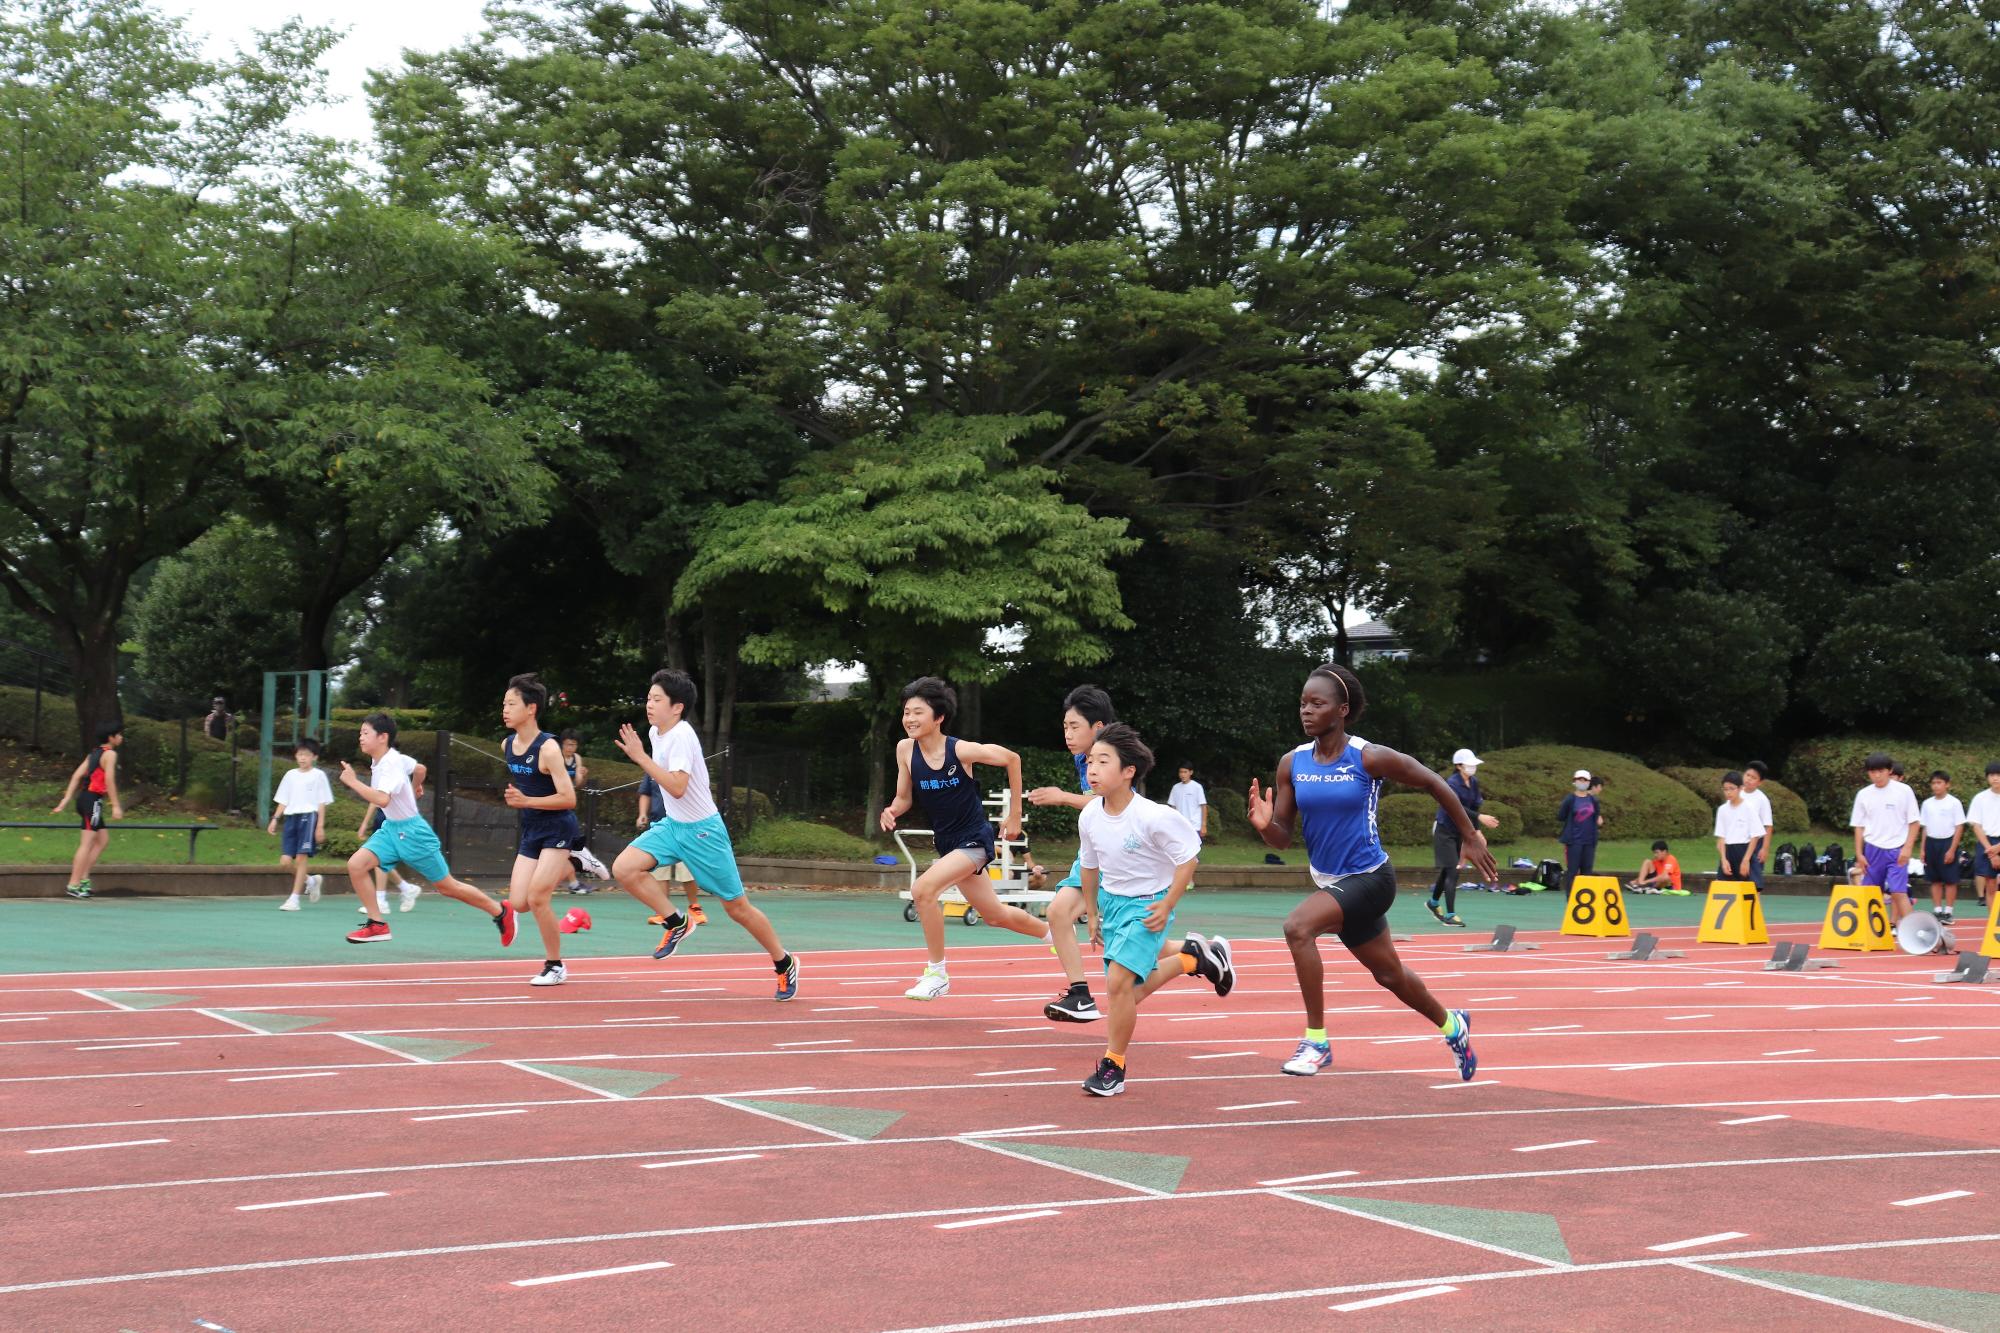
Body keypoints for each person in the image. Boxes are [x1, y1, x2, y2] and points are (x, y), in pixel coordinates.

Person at [1247, 663, 1490, 1081]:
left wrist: (1468, 833)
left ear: (1342, 710)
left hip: (1371, 878)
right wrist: (1266, 825)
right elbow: (1283, 839)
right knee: (1390, 974)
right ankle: (1453, 1024)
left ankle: (1316, 1041)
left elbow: (1434, 781)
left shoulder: (1368, 756)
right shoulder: (1292, 763)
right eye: (1303, 703)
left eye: (1317, 703)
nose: (1306, 711)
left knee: (1297, 928)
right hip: (1332, 882)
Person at [613, 668, 798, 999]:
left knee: (737, 908)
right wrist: (644, 754)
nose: (649, 705)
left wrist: (640, 758)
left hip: (703, 832)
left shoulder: (682, 735)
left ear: (677, 707)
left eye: (657, 699)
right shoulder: (656, 733)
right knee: (624, 868)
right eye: (648, 699)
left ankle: (784, 963)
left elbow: (678, 787)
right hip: (673, 826)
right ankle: (677, 923)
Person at [1074, 724, 1235, 1097]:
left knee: (1118, 986)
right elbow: (1089, 866)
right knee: (1125, 994)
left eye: (1103, 761)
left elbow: (1188, 858)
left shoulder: (1154, 816)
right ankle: (1192, 959)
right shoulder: (1090, 816)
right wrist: (1094, 913)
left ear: (1128, 770)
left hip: (1147, 904)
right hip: (1112, 906)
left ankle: (1114, 1065)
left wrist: (1167, 904)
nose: (1092, 769)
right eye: (1090, 762)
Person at [880, 675, 1046, 1000]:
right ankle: (1055, 932)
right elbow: (904, 797)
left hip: (974, 840)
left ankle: (937, 973)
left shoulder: (962, 751)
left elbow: (1012, 759)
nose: (909, 719)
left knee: (923, 889)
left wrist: (1014, 813)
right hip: (947, 843)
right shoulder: (905, 750)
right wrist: (893, 810)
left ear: (938, 717)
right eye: (906, 712)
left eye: (918, 712)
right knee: (995, 915)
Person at [338, 712, 516, 946]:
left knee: (448, 887)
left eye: (365, 733)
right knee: (356, 865)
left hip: (412, 833)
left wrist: (353, 781)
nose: (360, 737)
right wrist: (416, 786)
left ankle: (501, 913)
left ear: (382, 737)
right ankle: (377, 924)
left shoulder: (390, 764)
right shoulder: (390, 758)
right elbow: (420, 768)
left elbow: (382, 800)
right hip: (391, 829)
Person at [1026, 684, 1117, 1022]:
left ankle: (1195, 956)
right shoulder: (1084, 758)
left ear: (1099, 728)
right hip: (1094, 856)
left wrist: (1062, 796)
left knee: (1129, 946)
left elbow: (1112, 803)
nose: (1067, 733)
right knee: (1059, 913)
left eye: (1074, 726)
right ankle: (1080, 995)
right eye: (1065, 726)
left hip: (1121, 857)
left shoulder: (1113, 756)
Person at [501, 675, 583, 986]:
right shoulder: (507, 744)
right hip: (532, 828)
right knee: (519, 902)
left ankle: (555, 965)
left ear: (531, 708)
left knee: (537, 898)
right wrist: (522, 801)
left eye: (511, 704)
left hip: (558, 826)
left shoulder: (548, 748)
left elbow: (569, 798)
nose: (505, 710)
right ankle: (575, 863)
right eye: (504, 705)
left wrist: (527, 800)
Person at [51, 723, 124, 900]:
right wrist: (115, 805)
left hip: (86, 799)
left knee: (102, 840)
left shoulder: (94, 753)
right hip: (92, 800)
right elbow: (109, 780)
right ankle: (73, 884)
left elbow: (76, 775)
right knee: (87, 843)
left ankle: (83, 879)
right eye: (119, 735)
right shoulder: (110, 754)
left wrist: (66, 799)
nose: (121, 738)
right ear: (111, 737)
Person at [1427, 747, 1499, 927]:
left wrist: (1477, 832)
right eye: (1469, 765)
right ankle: (1450, 915)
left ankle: (1433, 903)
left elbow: (1474, 807)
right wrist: (1480, 818)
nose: (1473, 768)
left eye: (1474, 765)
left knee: (1448, 870)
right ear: (1459, 766)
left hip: (1461, 831)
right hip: (1444, 830)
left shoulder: (1473, 782)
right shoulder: (1451, 783)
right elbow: (1456, 807)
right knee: (1453, 869)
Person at [1850, 751, 1921, 927]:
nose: (1876, 775)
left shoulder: (1904, 791)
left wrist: (1907, 848)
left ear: (1889, 770)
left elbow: (1914, 822)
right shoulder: (1863, 794)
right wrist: (1859, 854)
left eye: (1880, 771)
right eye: (1872, 772)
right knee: (1871, 892)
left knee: (1898, 892)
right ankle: (1871, 931)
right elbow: (1859, 826)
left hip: (1897, 849)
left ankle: (1914, 932)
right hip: (1872, 849)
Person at [269, 738, 333, 911]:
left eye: (306, 755)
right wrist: (275, 819)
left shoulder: (318, 775)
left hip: (309, 817)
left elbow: (321, 802)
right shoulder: (290, 775)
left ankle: (294, 899)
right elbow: (283, 799)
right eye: (299, 754)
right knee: (285, 862)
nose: (302, 758)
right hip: (291, 819)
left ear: (314, 757)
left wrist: (320, 826)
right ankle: (311, 880)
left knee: (301, 858)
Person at [634, 773, 705, 921]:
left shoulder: (682, 768)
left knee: (687, 870)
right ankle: (664, 912)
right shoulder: (651, 768)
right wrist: (642, 814)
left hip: (683, 826)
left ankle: (694, 907)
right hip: (658, 827)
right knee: (660, 873)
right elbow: (645, 793)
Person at [554, 730, 611, 894]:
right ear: (562, 744)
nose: (571, 747)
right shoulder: (555, 757)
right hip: (553, 802)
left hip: (564, 805)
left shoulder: (577, 759)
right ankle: (576, 875)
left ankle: (573, 880)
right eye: (568, 744)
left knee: (559, 848)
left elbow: (578, 785)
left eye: (574, 744)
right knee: (558, 848)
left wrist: (582, 776)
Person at [1919, 771, 1965, 925]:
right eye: (1933, 783)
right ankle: (1938, 911)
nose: (1936, 786)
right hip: (1931, 842)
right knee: (1935, 879)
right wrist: (1923, 849)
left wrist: (1952, 849)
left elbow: (1959, 827)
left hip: (1947, 842)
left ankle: (1949, 912)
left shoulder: (1954, 803)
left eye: (1939, 782)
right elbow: (1924, 827)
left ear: (1947, 784)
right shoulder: (1927, 804)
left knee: (1950, 880)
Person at [1556, 769, 1602, 890]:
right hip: (1574, 841)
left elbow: (1595, 817)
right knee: (1572, 871)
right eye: (1579, 780)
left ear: (1589, 782)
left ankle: (1586, 898)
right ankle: (1571, 899)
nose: (1582, 782)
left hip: (1589, 842)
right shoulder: (1570, 799)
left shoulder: (1593, 800)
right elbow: (1561, 816)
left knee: (1587, 872)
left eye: (1585, 780)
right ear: (1574, 782)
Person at [1714, 772, 1762, 879]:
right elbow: (1721, 837)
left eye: (1732, 788)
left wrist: (1746, 860)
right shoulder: (1722, 810)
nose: (1728, 792)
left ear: (1740, 788)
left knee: (1749, 890)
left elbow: (1755, 836)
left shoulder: (1749, 808)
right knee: (1724, 891)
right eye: (1725, 789)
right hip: (1728, 852)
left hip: (1744, 851)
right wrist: (1723, 859)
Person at [1969, 761, 2000, 911]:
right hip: (1986, 842)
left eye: (1998, 775)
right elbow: (1976, 825)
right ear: (1987, 777)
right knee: (1991, 884)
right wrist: (1991, 851)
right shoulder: (1980, 798)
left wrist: (1998, 848)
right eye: (1992, 775)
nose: (1995, 778)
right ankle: (1994, 924)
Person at [1740, 761, 1775, 888]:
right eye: (1748, 775)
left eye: (1753, 778)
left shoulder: (1762, 799)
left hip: (1755, 843)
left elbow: (1768, 825)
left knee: (1753, 880)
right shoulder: (1736, 793)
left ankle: (1755, 906)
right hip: (1737, 842)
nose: (1749, 779)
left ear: (1760, 782)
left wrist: (1764, 848)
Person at [1167, 763, 1208, 841]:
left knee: (1193, 852)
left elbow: (1203, 806)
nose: (1182, 774)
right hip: (1179, 826)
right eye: (1180, 772)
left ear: (1191, 772)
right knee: (1179, 851)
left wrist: (1203, 825)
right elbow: (1173, 808)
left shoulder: (1197, 787)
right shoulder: (1175, 787)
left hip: (1194, 826)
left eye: (1185, 772)